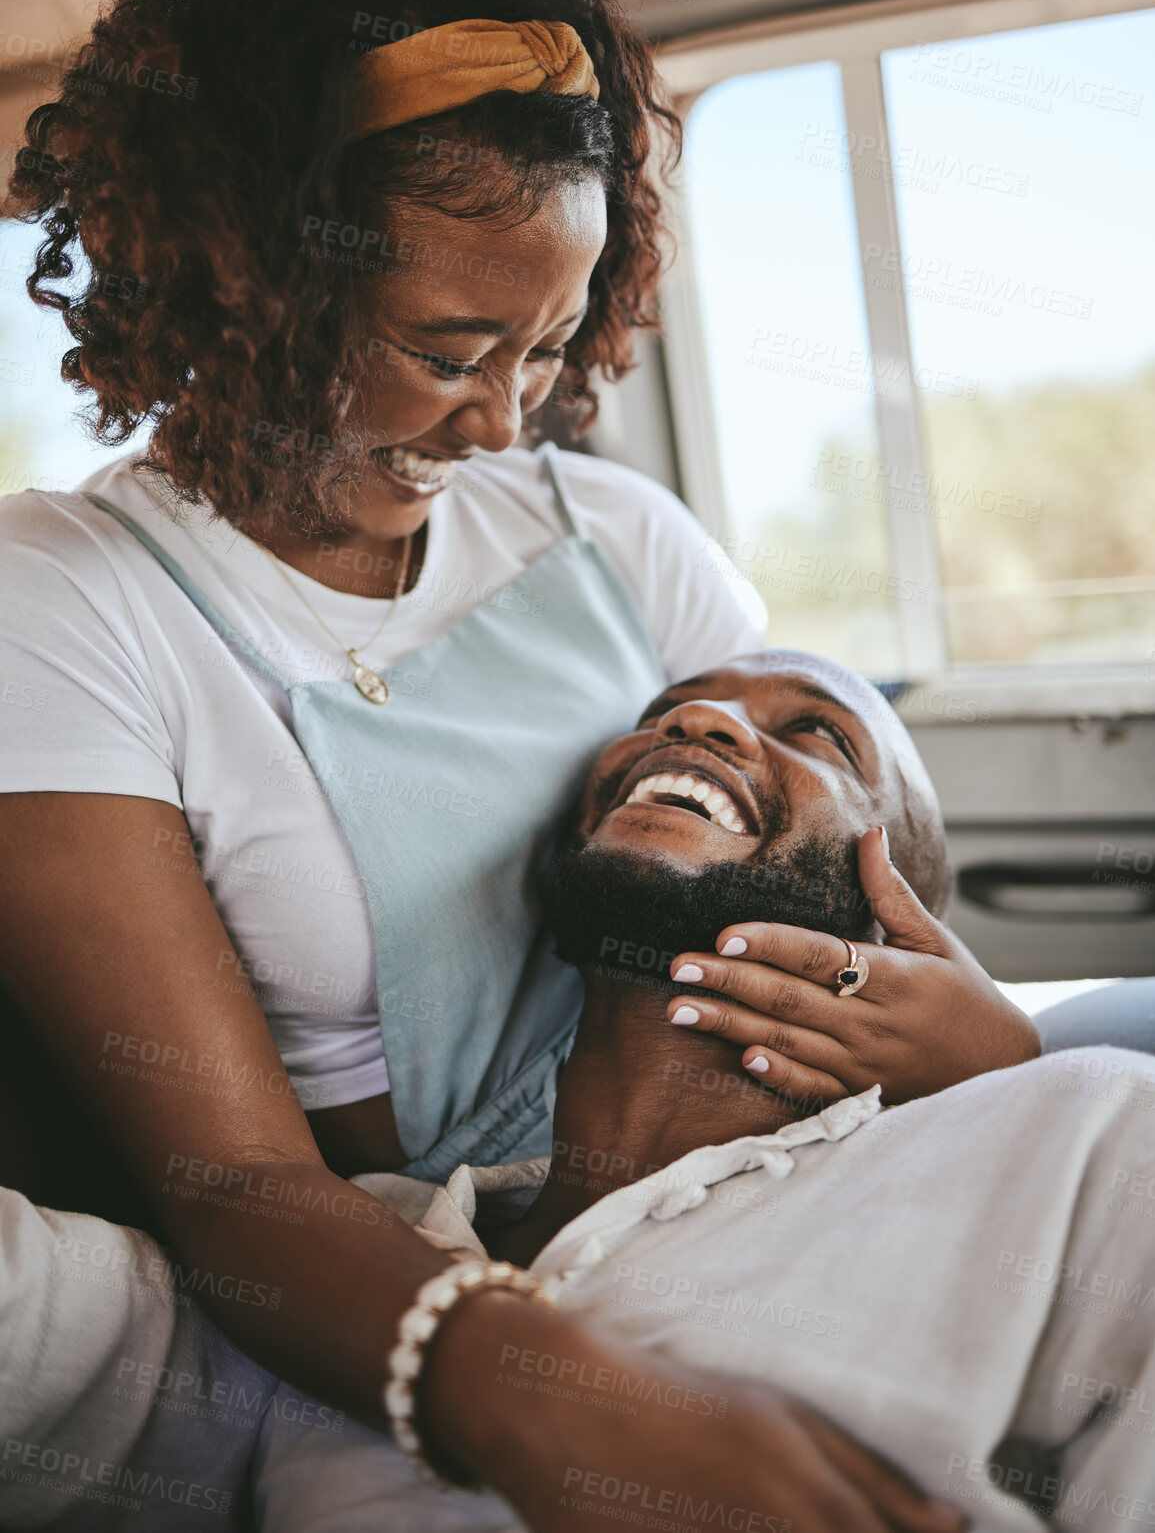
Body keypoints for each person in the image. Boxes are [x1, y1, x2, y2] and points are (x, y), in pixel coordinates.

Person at [0, 0, 1034, 1526]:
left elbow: (819, 822)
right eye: (445, 351)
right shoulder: (69, 604)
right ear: (243, 285)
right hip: (399, 1279)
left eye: (548, 347)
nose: (502, 424)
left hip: (745, 1179)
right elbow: (235, 1180)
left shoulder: (613, 534)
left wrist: (997, 1056)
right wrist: (540, 1392)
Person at [1, 649, 1045, 1532]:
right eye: (670, 709)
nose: (699, 718)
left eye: (821, 735)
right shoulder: (345, 1264)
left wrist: (1014, 1086)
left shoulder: (1056, 1152)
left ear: (908, 927)